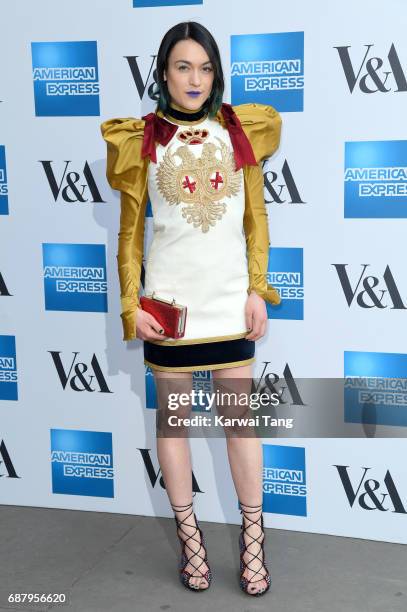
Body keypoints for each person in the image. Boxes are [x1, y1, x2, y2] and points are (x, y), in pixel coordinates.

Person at [101, 21, 282, 597]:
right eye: (183, 66)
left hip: (229, 302)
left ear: (216, 74)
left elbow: (256, 220)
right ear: (162, 73)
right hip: (169, 307)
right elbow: (130, 237)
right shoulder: (140, 140)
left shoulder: (240, 131)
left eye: (205, 67)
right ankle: (193, 545)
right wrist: (132, 308)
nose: (195, 79)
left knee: (240, 426)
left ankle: (253, 545)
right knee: (174, 427)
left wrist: (258, 288)